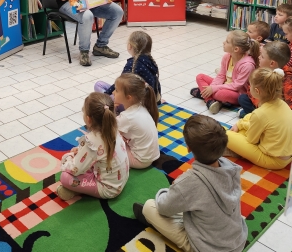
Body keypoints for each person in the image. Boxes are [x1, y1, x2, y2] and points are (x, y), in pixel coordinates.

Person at [133, 115, 247, 252]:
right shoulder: (231, 168)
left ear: (188, 148)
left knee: (149, 207)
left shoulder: (189, 181)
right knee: (194, 205)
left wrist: (171, 190)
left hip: (210, 248)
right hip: (238, 241)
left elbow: (163, 207)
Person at [56, 92, 129, 201]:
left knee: (65, 177)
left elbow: (74, 170)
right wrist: (81, 151)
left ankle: (75, 190)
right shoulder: (113, 129)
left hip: (109, 190)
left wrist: (68, 157)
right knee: (88, 164)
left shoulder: (92, 141)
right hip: (121, 179)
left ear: (88, 119)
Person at [226, 68, 292, 170]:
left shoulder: (260, 113)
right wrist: (240, 124)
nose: (249, 87)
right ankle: (236, 148)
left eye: (250, 85)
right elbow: (254, 118)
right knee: (248, 118)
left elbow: (251, 140)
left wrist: (240, 124)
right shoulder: (282, 103)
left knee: (226, 135)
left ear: (256, 91)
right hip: (286, 156)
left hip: (273, 160)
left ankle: (234, 150)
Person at [190, 30, 259, 114]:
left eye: (227, 42)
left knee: (220, 94)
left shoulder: (247, 65)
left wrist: (213, 89)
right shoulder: (227, 57)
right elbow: (221, 76)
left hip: (238, 92)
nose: (223, 42)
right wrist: (212, 87)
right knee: (200, 77)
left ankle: (204, 94)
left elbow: (236, 86)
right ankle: (210, 100)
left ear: (236, 49)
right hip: (224, 85)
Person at [94, 30, 161, 106]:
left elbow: (119, 84)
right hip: (149, 103)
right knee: (104, 86)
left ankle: (110, 105)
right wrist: (157, 101)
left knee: (98, 85)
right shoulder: (151, 61)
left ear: (130, 46)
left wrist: (107, 95)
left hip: (135, 105)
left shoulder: (132, 64)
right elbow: (156, 83)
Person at [113, 74, 160, 168]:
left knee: (106, 144)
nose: (113, 92)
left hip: (140, 161)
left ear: (129, 97)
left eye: (117, 90)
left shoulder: (126, 117)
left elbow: (106, 130)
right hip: (151, 156)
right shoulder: (141, 106)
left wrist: (112, 110)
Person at [238, 41, 291, 118]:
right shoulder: (261, 71)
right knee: (243, 98)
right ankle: (254, 114)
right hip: (262, 104)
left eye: (262, 56)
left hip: (278, 111)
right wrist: (260, 105)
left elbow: (289, 106)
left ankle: (252, 115)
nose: (259, 57)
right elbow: (251, 90)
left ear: (272, 63)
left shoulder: (288, 79)